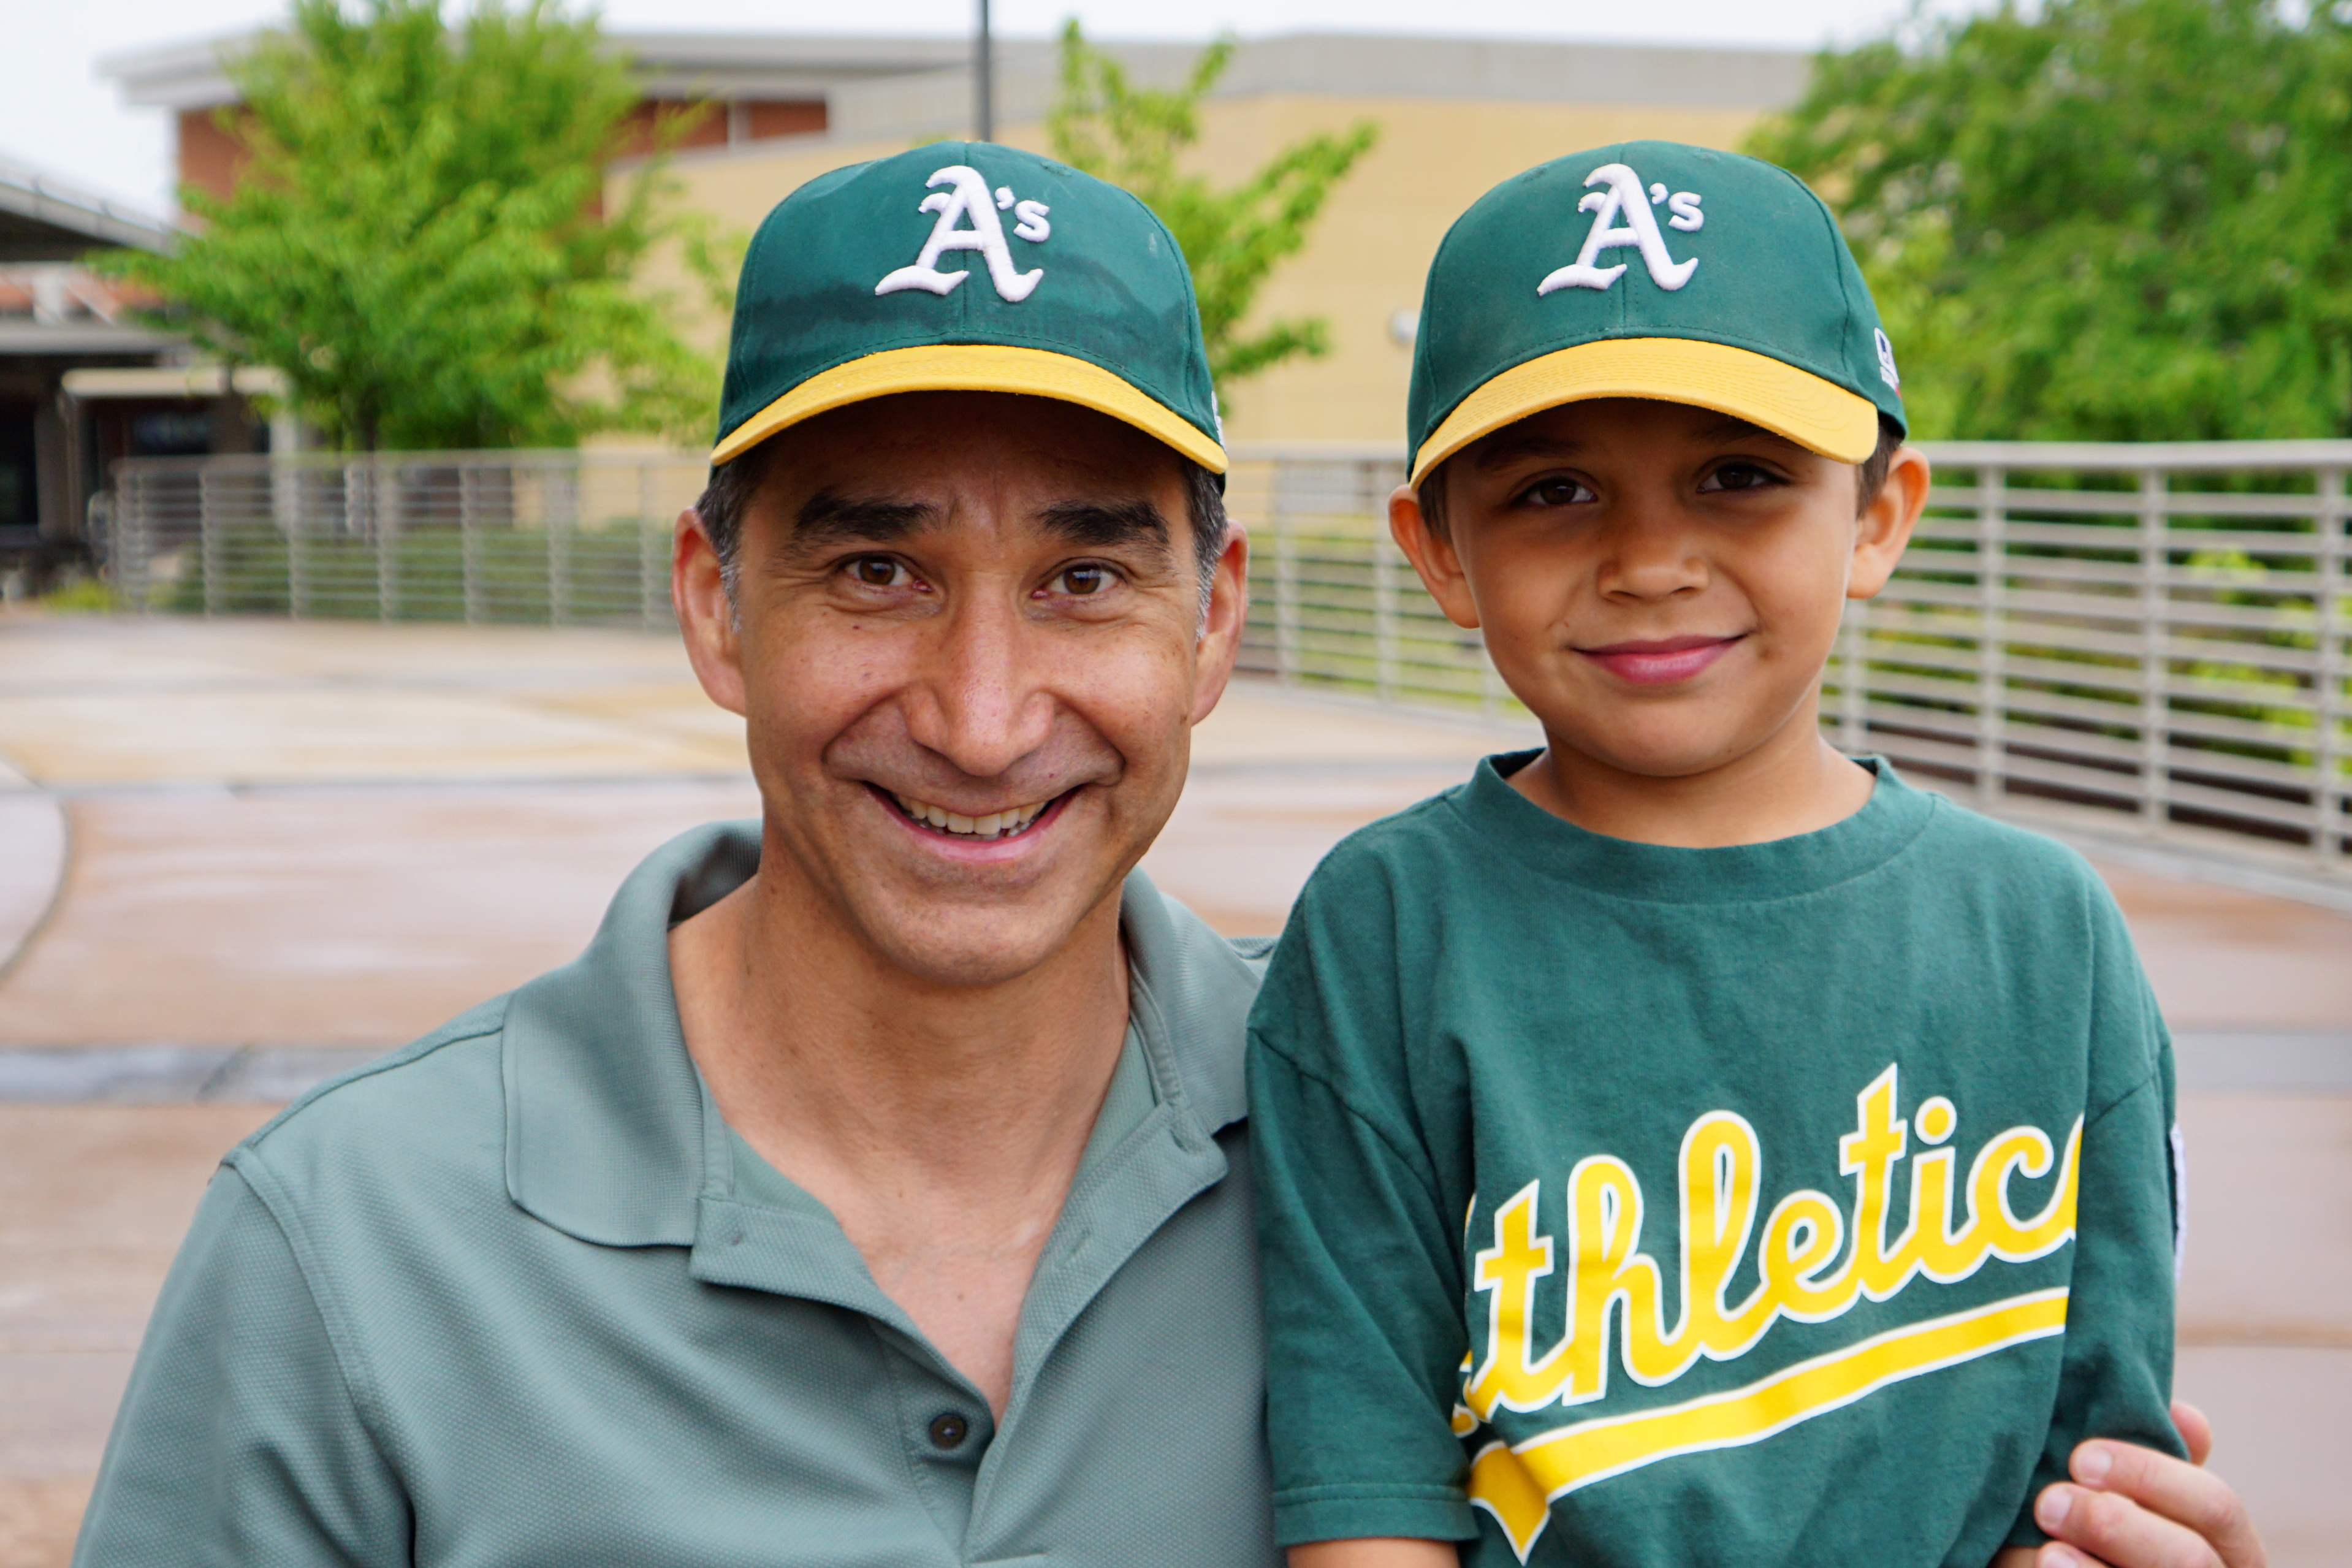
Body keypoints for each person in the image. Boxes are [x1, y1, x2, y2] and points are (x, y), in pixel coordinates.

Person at [74, 140, 2257, 1568]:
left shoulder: (1419, 1106)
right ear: (712, 602)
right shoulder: (349, 1247)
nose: (981, 709)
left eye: (1087, 575)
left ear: (1216, 619)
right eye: (874, 567)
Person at [1247, 142, 2224, 1568]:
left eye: (1737, 475)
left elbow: (2082, 1486)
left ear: (1876, 516)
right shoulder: (1385, 926)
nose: (1649, 561)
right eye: (1552, 490)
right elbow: (1365, 1492)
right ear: (1438, 549)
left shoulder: (2039, 934)